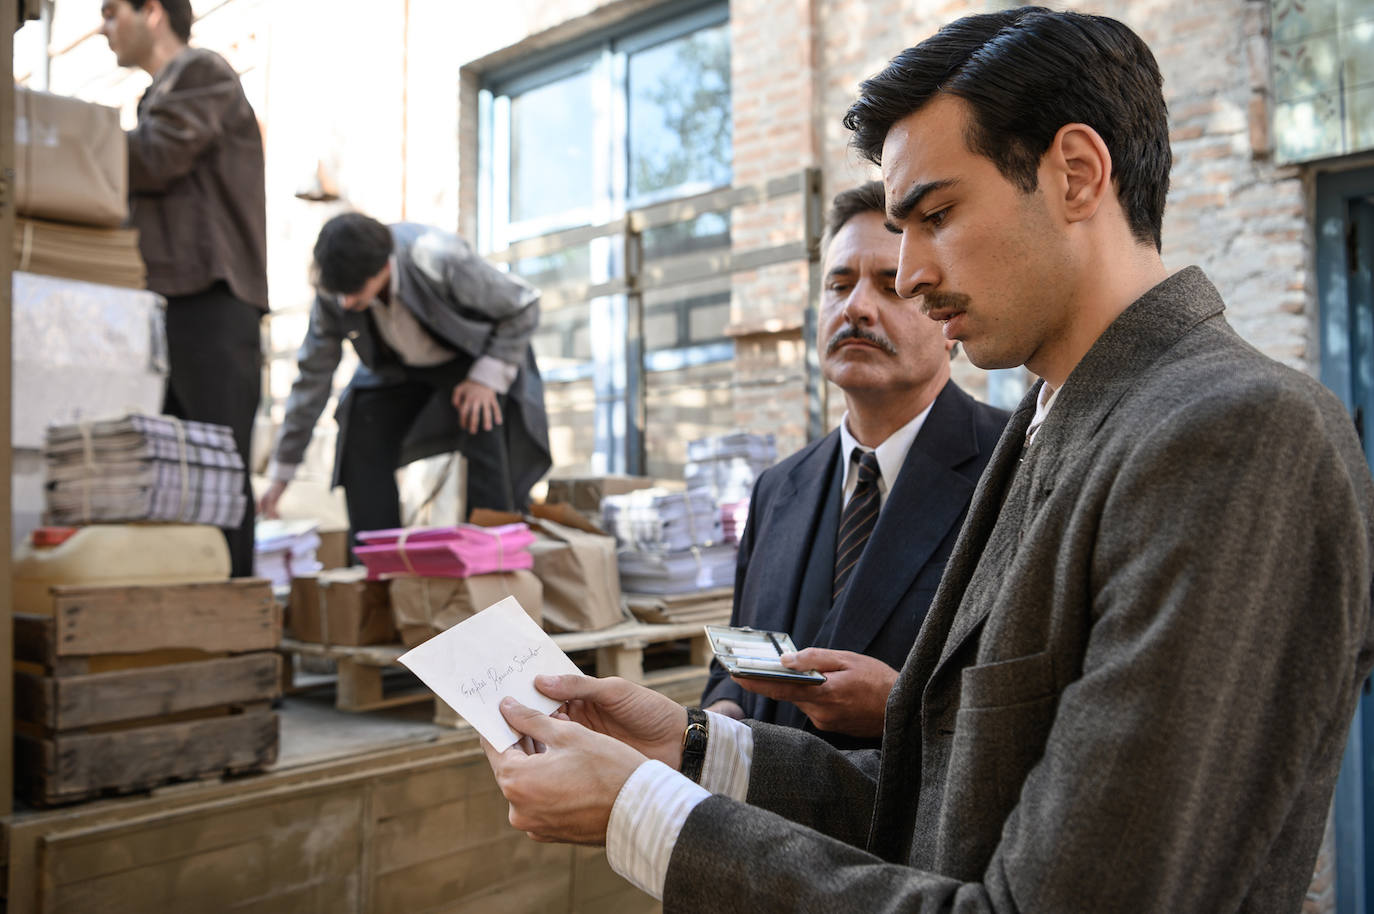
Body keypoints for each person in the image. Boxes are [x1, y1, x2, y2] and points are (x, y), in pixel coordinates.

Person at [480, 7, 1374, 912]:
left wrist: (651, 814)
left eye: (937, 214)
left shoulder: (1238, 435)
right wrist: (697, 748)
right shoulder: (1053, 421)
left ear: (1076, 174)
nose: (906, 275)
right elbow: (957, 810)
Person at [700, 181, 1007, 746]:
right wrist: (718, 716)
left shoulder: (1012, 467)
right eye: (838, 285)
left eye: (890, 286)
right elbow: (736, 662)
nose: (856, 307)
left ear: (948, 320)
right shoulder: (776, 487)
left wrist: (903, 709)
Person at [259, 214, 551, 547]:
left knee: (486, 424)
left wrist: (486, 378)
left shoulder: (439, 257)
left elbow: (523, 306)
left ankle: (489, 557)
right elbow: (312, 378)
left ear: (384, 266)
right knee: (359, 426)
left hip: (472, 361)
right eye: (339, 293)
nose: (346, 303)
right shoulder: (335, 292)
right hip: (395, 368)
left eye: (355, 292)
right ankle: (379, 562)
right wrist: (282, 475)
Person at [101, 0, 268, 577]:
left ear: (152, 12)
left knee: (219, 474)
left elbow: (156, 158)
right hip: (168, 301)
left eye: (110, 10)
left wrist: (76, 139)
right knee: (169, 477)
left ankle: (235, 631)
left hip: (211, 300)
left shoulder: (201, 72)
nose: (103, 27)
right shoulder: (158, 95)